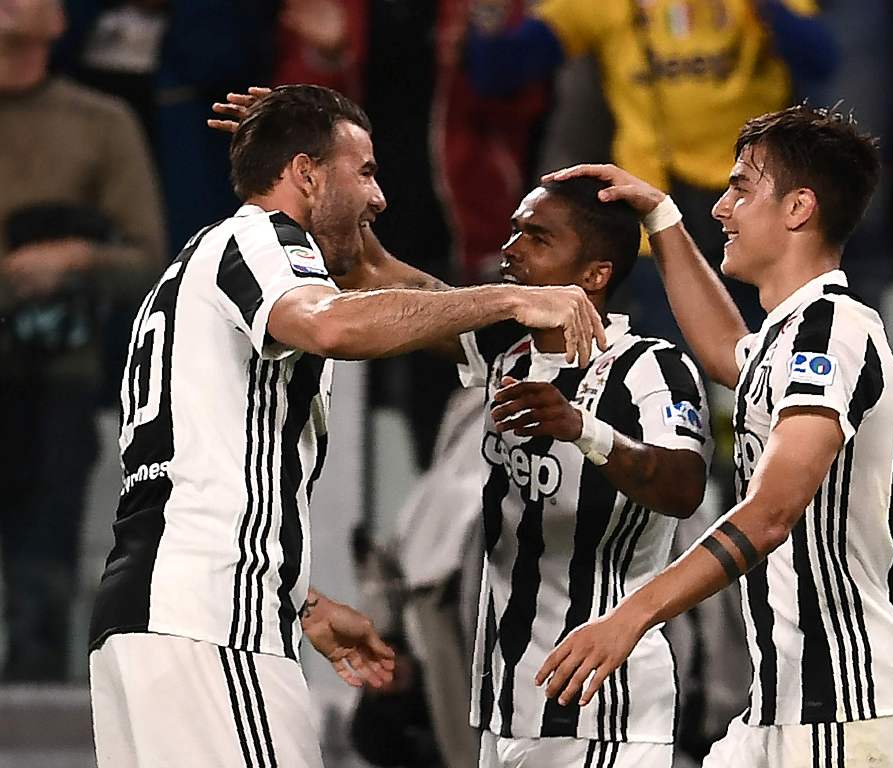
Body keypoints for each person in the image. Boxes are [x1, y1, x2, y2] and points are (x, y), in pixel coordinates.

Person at [88, 84, 604, 768]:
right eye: (364, 172)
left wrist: (299, 599)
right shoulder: (259, 237)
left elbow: (368, 280)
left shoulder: (199, 268)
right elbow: (329, 323)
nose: (380, 197)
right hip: (210, 625)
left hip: (154, 617)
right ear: (304, 174)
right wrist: (512, 295)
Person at [535, 105, 893, 766]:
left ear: (799, 208)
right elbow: (728, 350)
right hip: (786, 705)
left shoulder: (831, 332)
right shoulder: (791, 336)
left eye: (741, 189)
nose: (721, 208)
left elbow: (773, 512)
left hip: (844, 702)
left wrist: (634, 614)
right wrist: (661, 216)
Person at [454, 176, 713, 768]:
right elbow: (393, 289)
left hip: (602, 712)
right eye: (515, 231)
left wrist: (583, 430)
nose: (511, 249)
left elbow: (683, 487)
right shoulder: (508, 356)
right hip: (504, 703)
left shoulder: (652, 367)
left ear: (595, 275)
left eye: (537, 238)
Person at [467, 0, 838, 334]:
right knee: (678, 366)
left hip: (758, 204)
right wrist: (487, 14)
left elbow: (821, 59)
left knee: (772, 358)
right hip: (657, 210)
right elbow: (499, 72)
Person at [0, 0, 164, 681]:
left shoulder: (100, 123)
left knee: (46, 538)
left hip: (55, 368)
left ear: (63, 19)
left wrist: (74, 259)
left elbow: (148, 257)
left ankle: (36, 677)